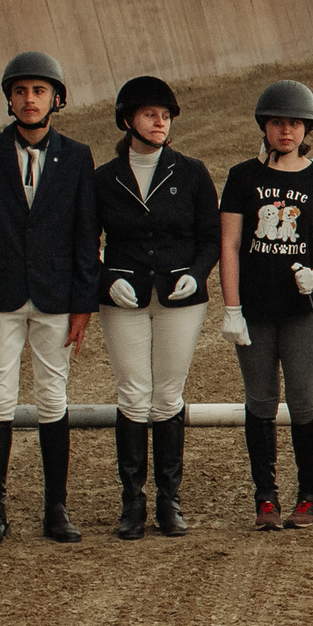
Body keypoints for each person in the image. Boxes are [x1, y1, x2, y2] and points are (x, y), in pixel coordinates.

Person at [0, 51, 98, 546]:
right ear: (9, 99)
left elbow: (86, 236)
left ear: (56, 98)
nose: (29, 99)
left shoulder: (77, 157)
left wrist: (84, 303)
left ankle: (55, 508)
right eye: (20, 91)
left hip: (57, 297)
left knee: (52, 398)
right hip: (1, 298)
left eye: (39, 91)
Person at [92, 75, 217, 540]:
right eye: (150, 115)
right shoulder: (104, 178)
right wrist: (107, 277)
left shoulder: (191, 172)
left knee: (167, 395)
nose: (160, 123)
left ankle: (169, 499)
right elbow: (87, 241)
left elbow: (210, 237)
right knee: (132, 394)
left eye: (165, 116)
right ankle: (132, 503)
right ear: (128, 120)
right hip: (123, 296)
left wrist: (197, 273)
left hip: (179, 296)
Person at [219, 80, 313, 531]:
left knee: (304, 398)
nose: (286, 131)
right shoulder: (242, 178)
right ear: (265, 128)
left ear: (306, 127)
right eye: (277, 123)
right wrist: (231, 308)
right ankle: (266, 496)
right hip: (254, 307)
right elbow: (230, 244)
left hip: (304, 309)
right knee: (260, 400)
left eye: (294, 123)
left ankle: (310, 494)